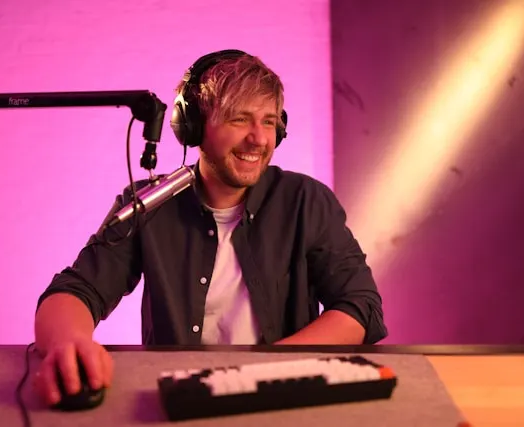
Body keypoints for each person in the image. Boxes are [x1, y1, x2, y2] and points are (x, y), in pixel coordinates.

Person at [32, 49, 388, 406]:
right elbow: (76, 289)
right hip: (182, 399)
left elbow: (360, 305)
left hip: (281, 398)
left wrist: (265, 368)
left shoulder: (305, 200)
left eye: (268, 121)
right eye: (239, 119)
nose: (259, 139)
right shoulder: (148, 204)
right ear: (194, 127)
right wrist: (67, 343)